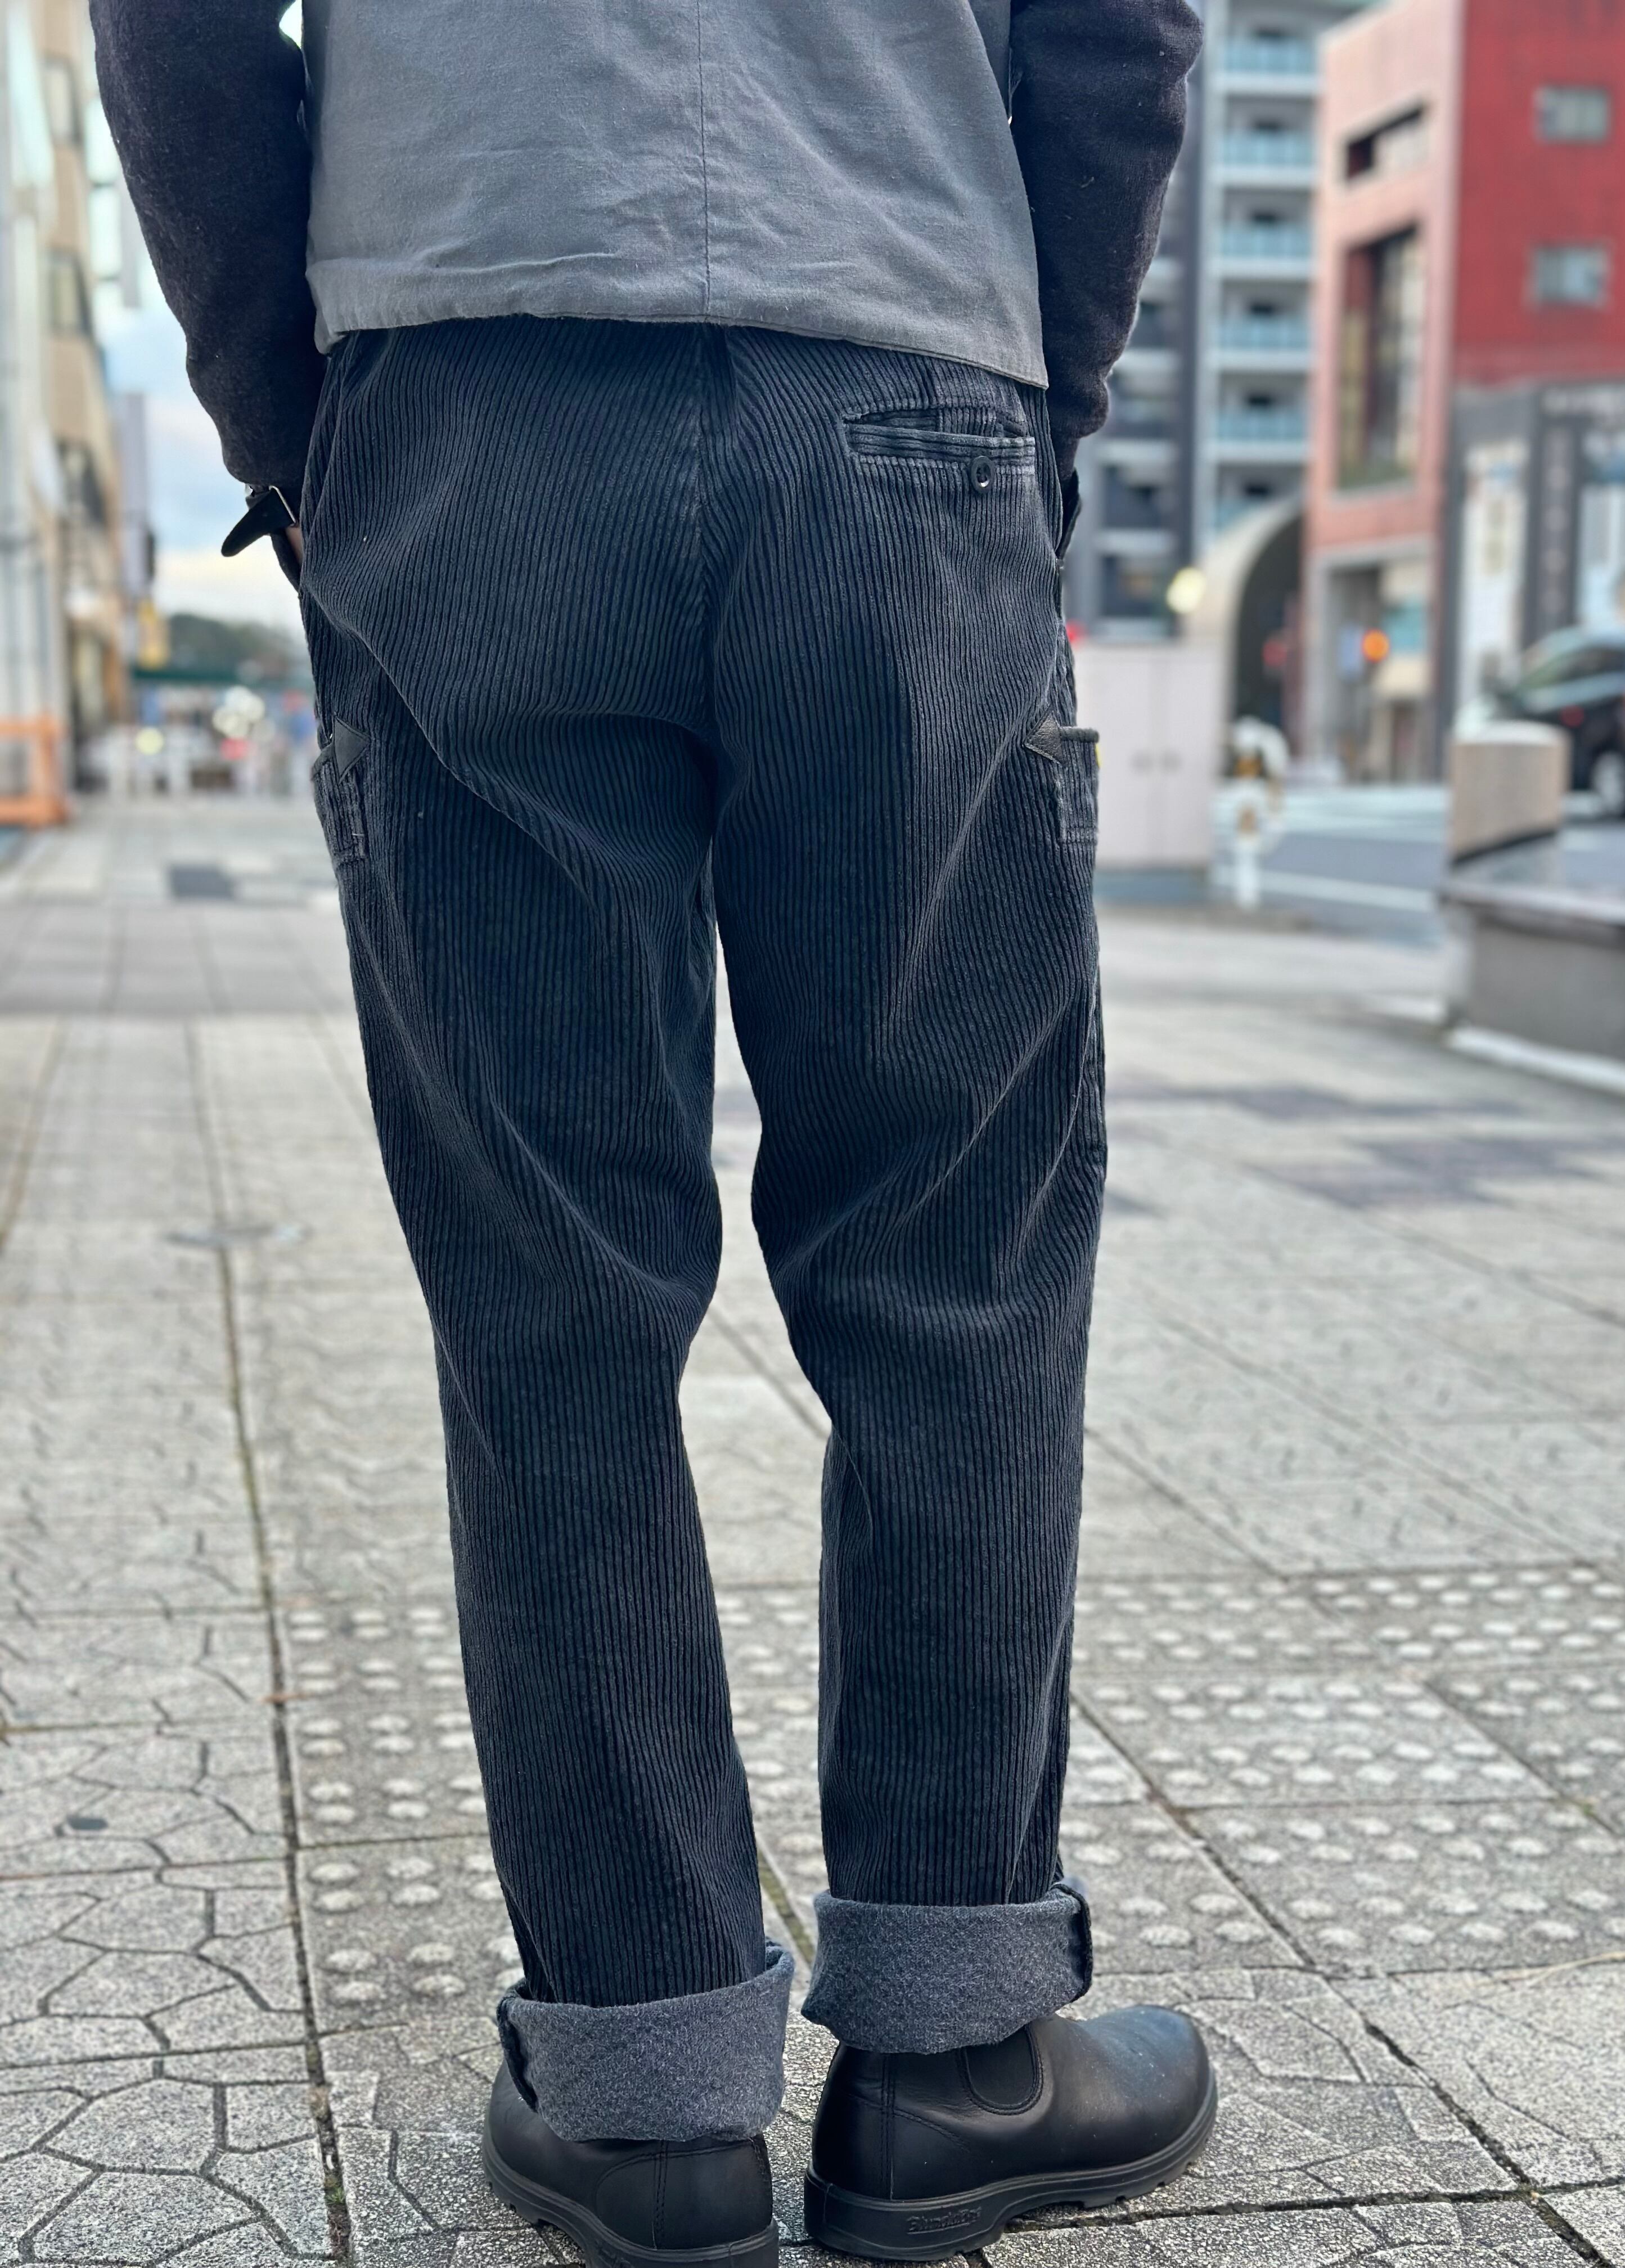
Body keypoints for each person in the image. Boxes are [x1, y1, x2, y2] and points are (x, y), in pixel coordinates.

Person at [92, 4, 1211, 2260]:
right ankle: (960, 2054)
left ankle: (645, 2096)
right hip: (902, 362)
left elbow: (174, 25)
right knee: (957, 1257)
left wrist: (302, 418)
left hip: (464, 372)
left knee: (550, 1302)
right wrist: (1036, 397)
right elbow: (1120, 30)